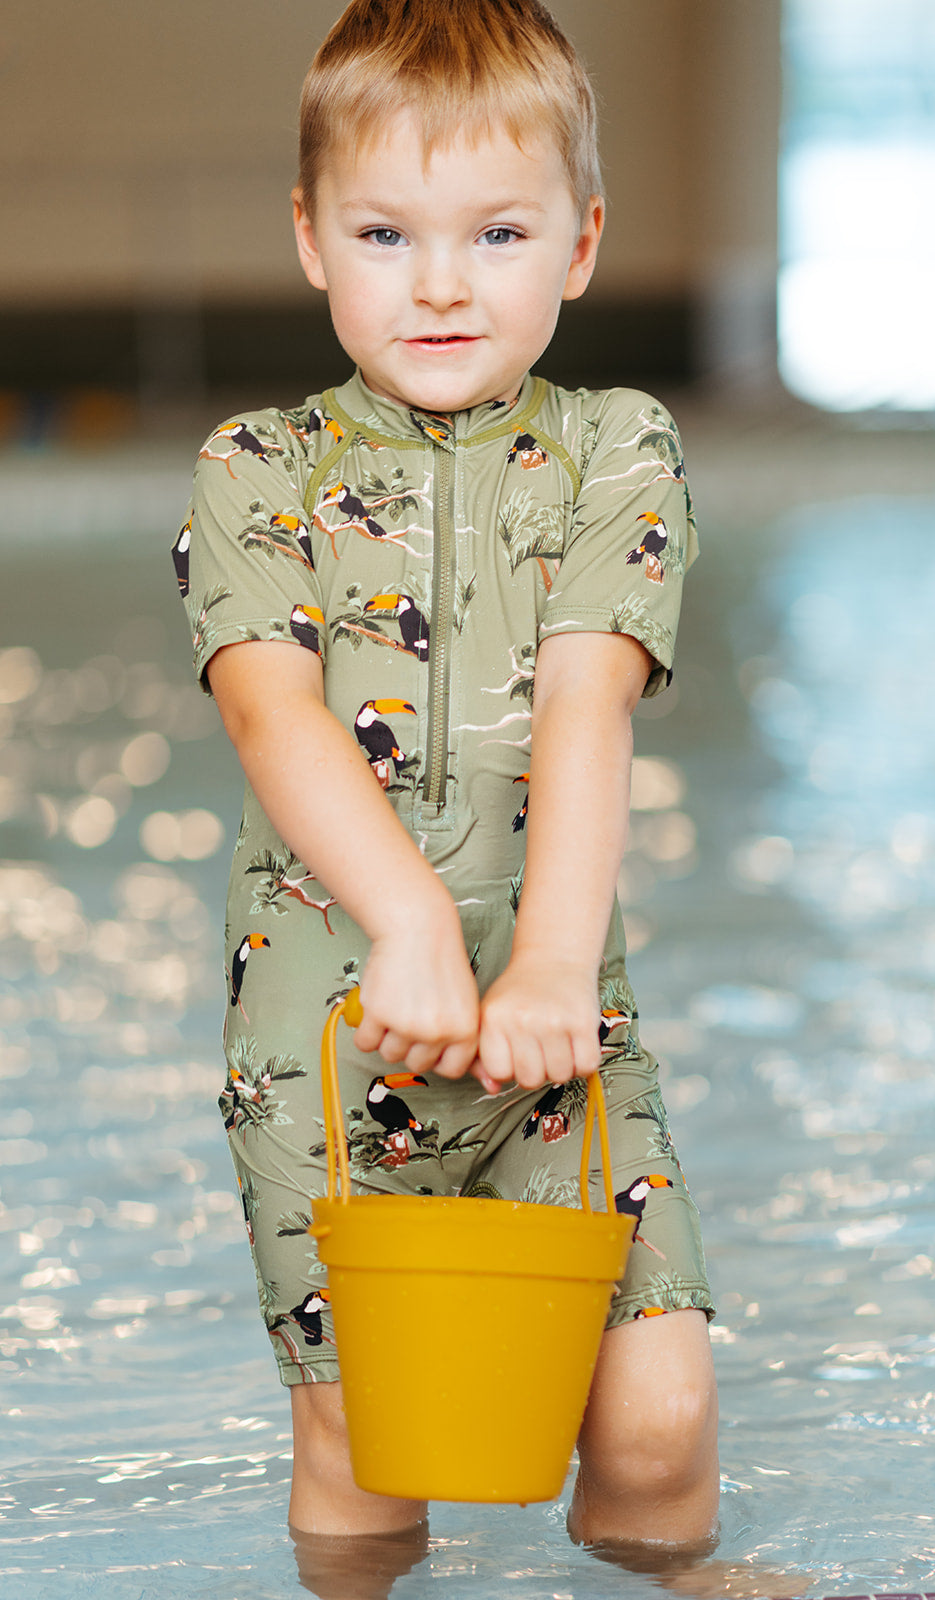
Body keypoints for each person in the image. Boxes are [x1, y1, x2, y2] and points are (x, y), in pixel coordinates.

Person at [175, 0, 718, 1567]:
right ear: (309, 237)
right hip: (334, 1044)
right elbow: (272, 713)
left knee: (661, 1418)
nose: (438, 283)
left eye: (496, 232)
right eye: (384, 232)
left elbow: (588, 703)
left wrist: (548, 962)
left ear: (582, 242)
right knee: (368, 1443)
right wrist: (410, 922)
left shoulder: (619, 449)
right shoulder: (254, 467)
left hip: (558, 1029)